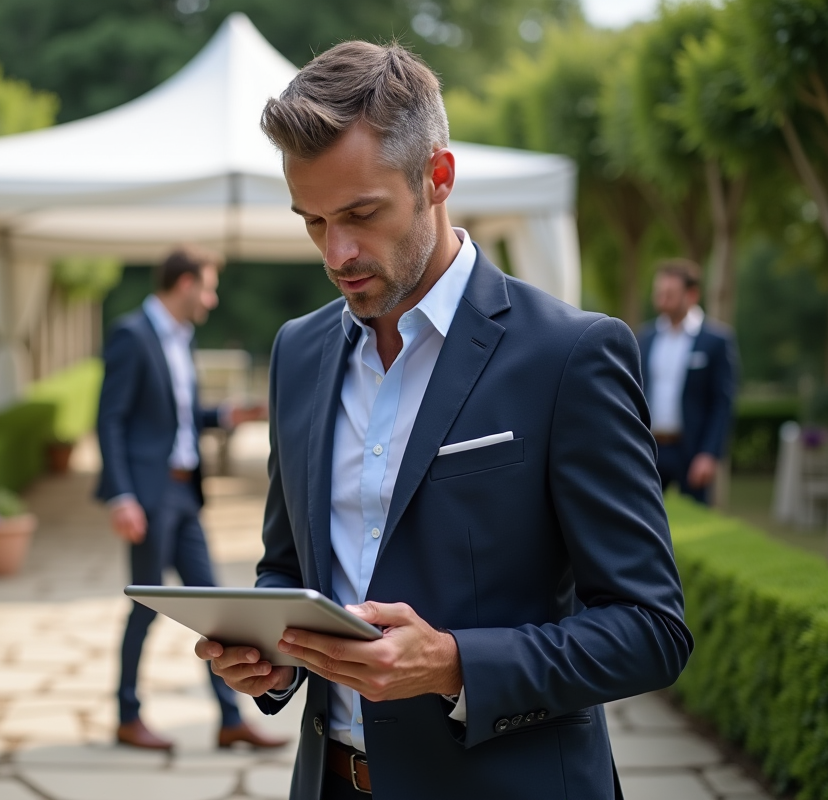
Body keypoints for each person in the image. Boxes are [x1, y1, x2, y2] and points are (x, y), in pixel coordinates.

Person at [195, 41, 692, 799]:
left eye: (362, 213)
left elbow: (651, 630)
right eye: (313, 220)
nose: (338, 251)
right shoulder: (298, 352)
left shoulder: (570, 354)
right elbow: (289, 567)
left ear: (438, 177)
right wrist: (270, 653)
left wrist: (458, 663)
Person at [96, 246, 286, 752]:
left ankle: (229, 720)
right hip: (149, 495)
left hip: (184, 494)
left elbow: (175, 418)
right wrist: (121, 495)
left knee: (216, 609)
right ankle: (127, 716)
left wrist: (224, 417)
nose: (212, 297)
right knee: (145, 606)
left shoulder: (181, 337)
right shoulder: (132, 335)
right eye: (207, 286)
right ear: (183, 285)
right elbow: (110, 418)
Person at [637, 259, 739, 505]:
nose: (662, 299)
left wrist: (709, 453)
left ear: (691, 295)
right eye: (659, 292)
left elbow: (722, 403)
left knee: (694, 523)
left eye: (670, 293)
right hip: (649, 449)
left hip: (692, 451)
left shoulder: (716, 341)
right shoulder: (645, 338)